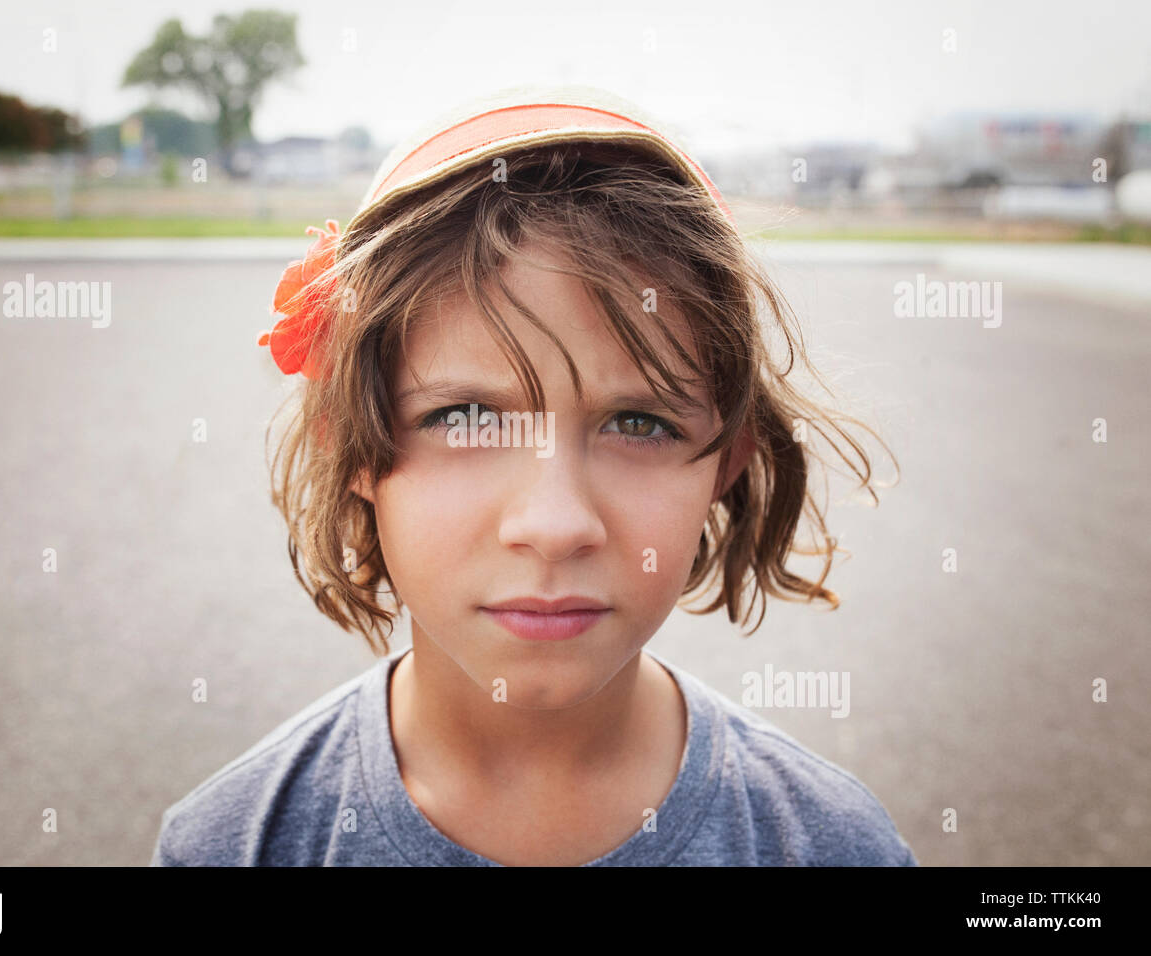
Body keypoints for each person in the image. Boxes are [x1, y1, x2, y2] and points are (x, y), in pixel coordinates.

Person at [150, 83, 918, 866]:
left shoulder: (833, 847)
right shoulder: (233, 846)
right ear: (351, 446)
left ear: (727, 462)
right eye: (467, 419)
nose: (554, 525)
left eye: (639, 423)